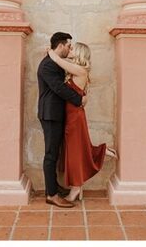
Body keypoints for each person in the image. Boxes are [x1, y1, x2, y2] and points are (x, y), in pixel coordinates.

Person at [47, 42, 118, 203]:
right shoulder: (76, 70)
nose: (69, 50)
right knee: (75, 150)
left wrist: (52, 53)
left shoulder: (81, 70)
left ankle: (76, 188)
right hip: (71, 115)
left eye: (72, 49)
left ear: (79, 53)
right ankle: (101, 151)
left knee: (74, 153)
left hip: (74, 117)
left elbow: (59, 62)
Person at [37, 32, 87, 208]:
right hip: (50, 115)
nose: (69, 49)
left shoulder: (54, 62)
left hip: (56, 114)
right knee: (51, 155)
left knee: (55, 153)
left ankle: (54, 187)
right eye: (68, 46)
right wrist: (78, 99)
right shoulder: (48, 65)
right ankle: (52, 195)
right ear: (60, 46)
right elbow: (58, 88)